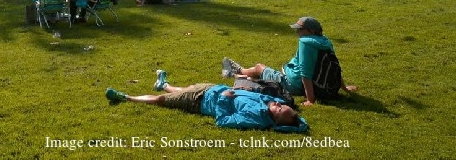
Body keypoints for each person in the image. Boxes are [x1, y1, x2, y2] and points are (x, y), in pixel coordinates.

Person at [105, 72, 307, 132]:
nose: (278, 104)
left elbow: (223, 121)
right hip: (212, 87)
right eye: (282, 104)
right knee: (186, 88)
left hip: (201, 101)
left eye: (280, 109)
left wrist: (224, 99)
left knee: (162, 100)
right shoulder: (267, 103)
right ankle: (164, 83)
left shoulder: (254, 119)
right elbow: (268, 97)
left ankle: (125, 97)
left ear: (276, 120)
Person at [222, 17, 352, 106]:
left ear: (310, 31)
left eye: (300, 29)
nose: (297, 32)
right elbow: (333, 66)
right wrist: (344, 88)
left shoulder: (306, 43)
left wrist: (310, 100)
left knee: (259, 68)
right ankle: (237, 75)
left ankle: (236, 70)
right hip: (321, 86)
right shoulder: (325, 41)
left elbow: (305, 73)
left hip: (294, 84)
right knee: (263, 77)